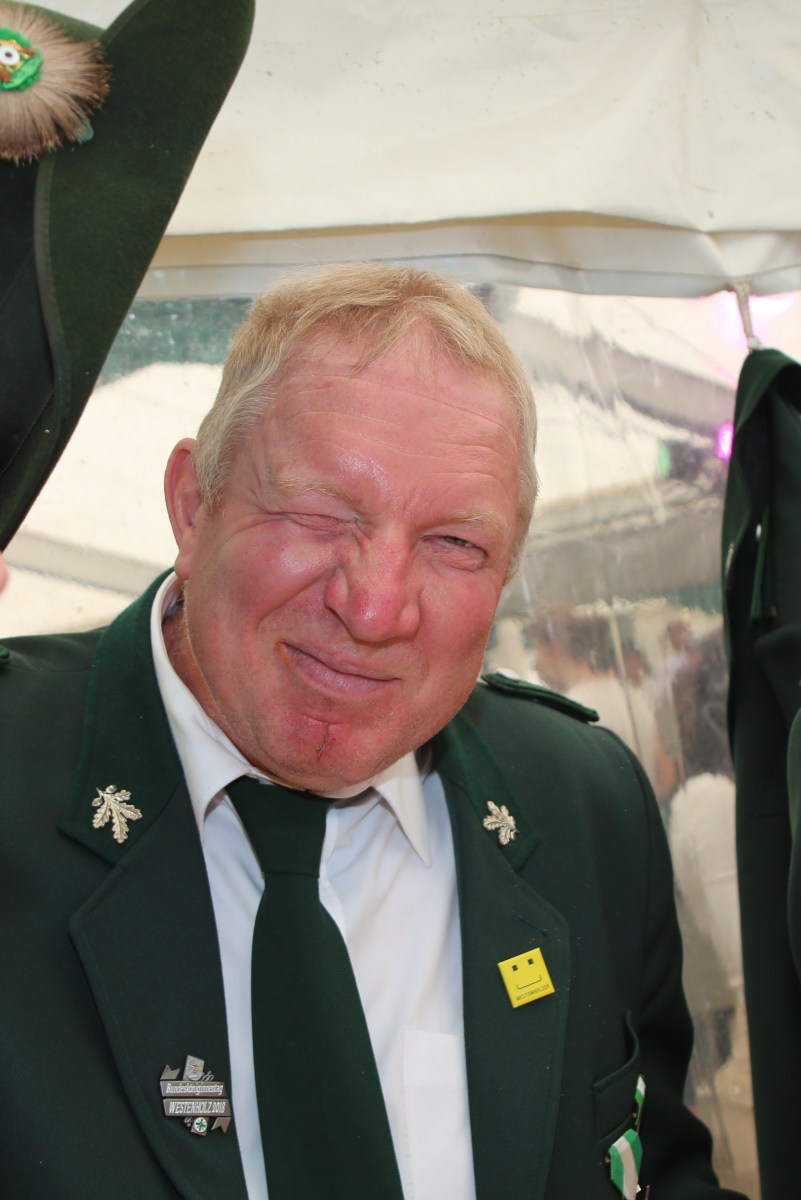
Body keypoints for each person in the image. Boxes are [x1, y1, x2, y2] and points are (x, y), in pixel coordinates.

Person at [0, 264, 746, 1200]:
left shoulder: (581, 802)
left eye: (454, 544)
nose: (376, 607)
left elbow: (655, 1166)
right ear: (193, 505)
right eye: (320, 513)